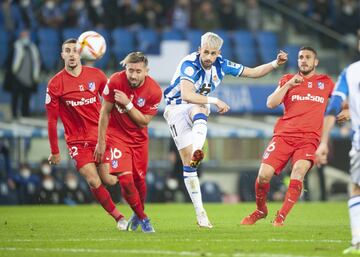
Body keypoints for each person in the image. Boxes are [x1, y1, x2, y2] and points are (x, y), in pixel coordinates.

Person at [163, 31, 288, 228]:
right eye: (205, 52)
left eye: (213, 54)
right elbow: (187, 94)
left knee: (190, 165)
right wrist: (215, 100)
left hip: (196, 108)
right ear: (199, 50)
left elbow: (254, 72)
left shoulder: (222, 64)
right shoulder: (189, 64)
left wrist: (275, 63)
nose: (208, 57)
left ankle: (201, 214)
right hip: (175, 109)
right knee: (203, 105)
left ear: (218, 53)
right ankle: (198, 153)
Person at [240, 46, 335, 227]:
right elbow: (270, 103)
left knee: (298, 172)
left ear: (316, 62)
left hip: (309, 139)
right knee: (263, 176)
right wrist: (289, 84)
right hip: (284, 136)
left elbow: (342, 102)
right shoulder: (287, 79)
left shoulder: (326, 82)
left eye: (308, 57)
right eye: (300, 57)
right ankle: (261, 210)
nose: (304, 60)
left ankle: (280, 217)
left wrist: (345, 112)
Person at [46, 38, 127, 231]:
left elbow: (111, 103)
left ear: (80, 54)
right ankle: (120, 218)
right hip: (76, 142)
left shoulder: (97, 76)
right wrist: (55, 151)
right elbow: (51, 120)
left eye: (75, 50)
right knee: (93, 179)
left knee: (110, 180)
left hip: (100, 137)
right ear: (62, 55)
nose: (72, 54)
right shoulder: (55, 84)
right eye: (68, 51)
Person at [95, 52, 162, 233]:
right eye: (130, 70)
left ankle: (137, 212)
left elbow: (144, 121)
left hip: (139, 140)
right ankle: (144, 219)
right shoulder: (115, 81)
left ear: (146, 71)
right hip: (116, 137)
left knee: (139, 181)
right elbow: (105, 112)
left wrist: (127, 104)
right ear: (125, 68)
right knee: (125, 180)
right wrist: (101, 142)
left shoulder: (155, 91)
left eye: (138, 71)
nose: (133, 75)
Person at [315, 55, 360, 254]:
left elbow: (333, 106)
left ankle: (358, 242)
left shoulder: (350, 72)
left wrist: (323, 142)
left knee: (357, 189)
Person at [5, 29, 40, 119]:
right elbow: (9, 61)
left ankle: (25, 116)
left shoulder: (33, 48)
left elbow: (37, 62)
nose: (25, 37)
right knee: (15, 98)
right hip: (17, 77)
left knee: (26, 99)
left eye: (26, 35)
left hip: (29, 78)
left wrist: (35, 76)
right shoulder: (15, 46)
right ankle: (14, 115)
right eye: (23, 35)